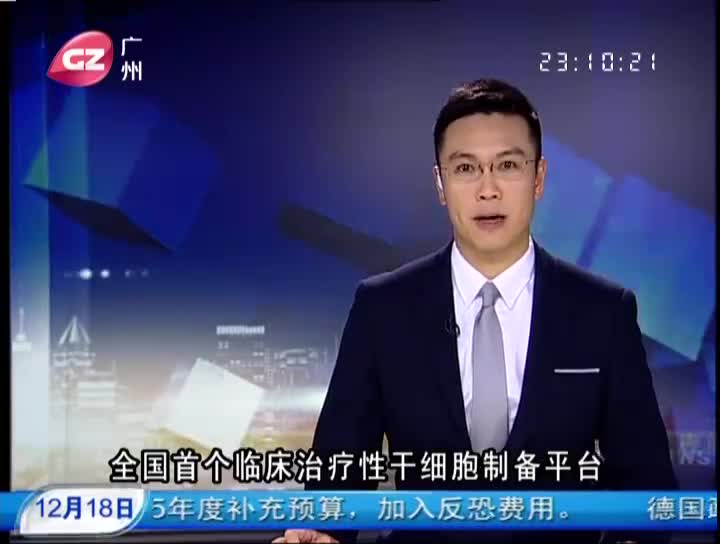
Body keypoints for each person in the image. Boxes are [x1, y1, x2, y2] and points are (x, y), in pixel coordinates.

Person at [273, 79, 676, 543]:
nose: (488, 189)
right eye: (466, 168)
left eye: (508, 165)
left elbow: (646, 491)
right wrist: (321, 533)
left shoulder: (603, 312)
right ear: (440, 184)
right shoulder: (382, 309)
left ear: (539, 178)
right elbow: (338, 476)